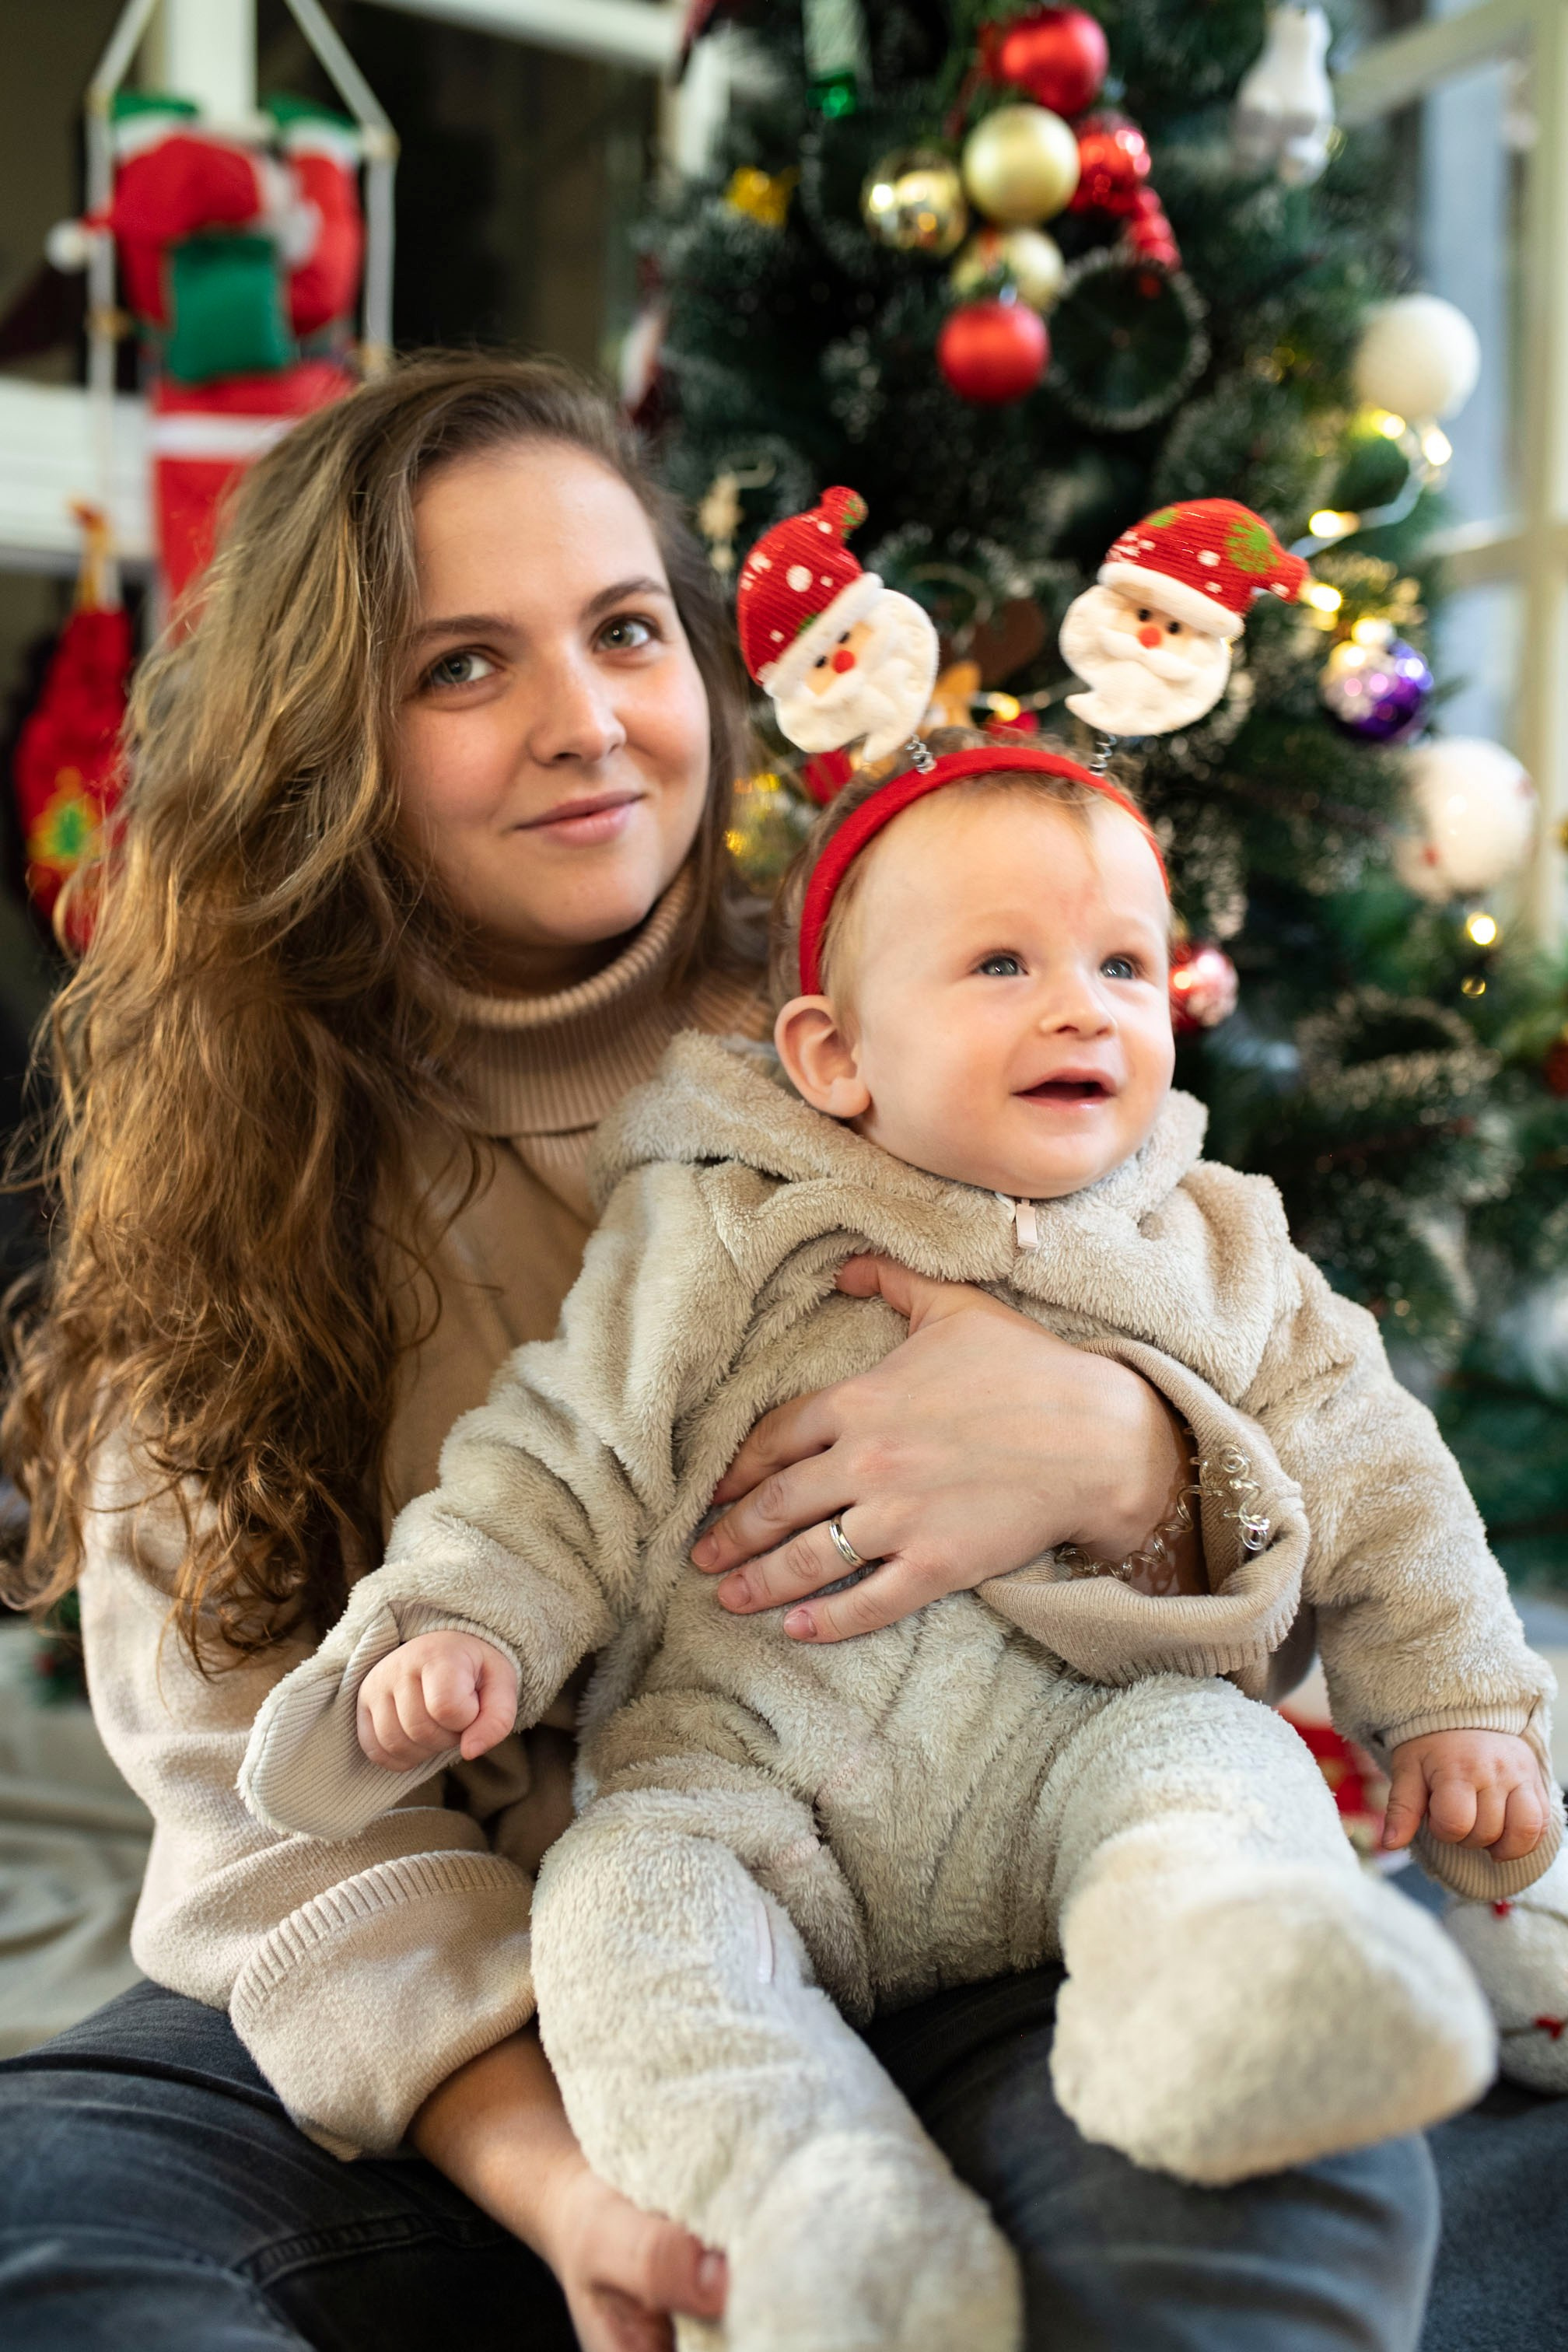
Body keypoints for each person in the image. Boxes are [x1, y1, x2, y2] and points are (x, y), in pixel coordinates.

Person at [0, 354, 1446, 2352]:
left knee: (1255, 2203)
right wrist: (580, 2185)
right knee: (49, 2239)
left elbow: (1310, 1445)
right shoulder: (221, 1168)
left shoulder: (922, 980)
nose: (587, 724)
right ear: (323, 735)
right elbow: (250, 1819)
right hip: (465, 2008)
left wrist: (1128, 1457)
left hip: (956, 1886)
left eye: (624, 632)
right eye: (460, 669)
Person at [237, 732, 1556, 2349]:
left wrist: (1462, 1703)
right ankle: (816, 2222)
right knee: (619, 1900)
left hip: (1083, 1755)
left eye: (1126, 965)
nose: (1084, 1005)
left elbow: (1381, 1471)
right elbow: (563, 1457)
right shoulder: (725, 1227)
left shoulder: (1216, 1242)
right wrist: (462, 1628)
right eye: (1004, 961)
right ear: (836, 1053)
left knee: (1226, 1772)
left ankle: (1219, 2002)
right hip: (758, 1777)